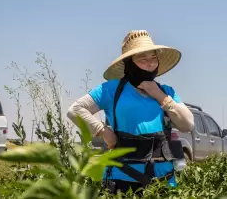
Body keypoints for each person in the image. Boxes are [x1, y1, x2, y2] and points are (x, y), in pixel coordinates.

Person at [67, 30, 194, 194]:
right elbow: (75, 110)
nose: (150, 64)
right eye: (142, 59)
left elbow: (188, 124)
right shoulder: (112, 89)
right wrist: (103, 131)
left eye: (153, 58)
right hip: (123, 178)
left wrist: (159, 95)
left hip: (164, 180)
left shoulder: (166, 91)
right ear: (129, 63)